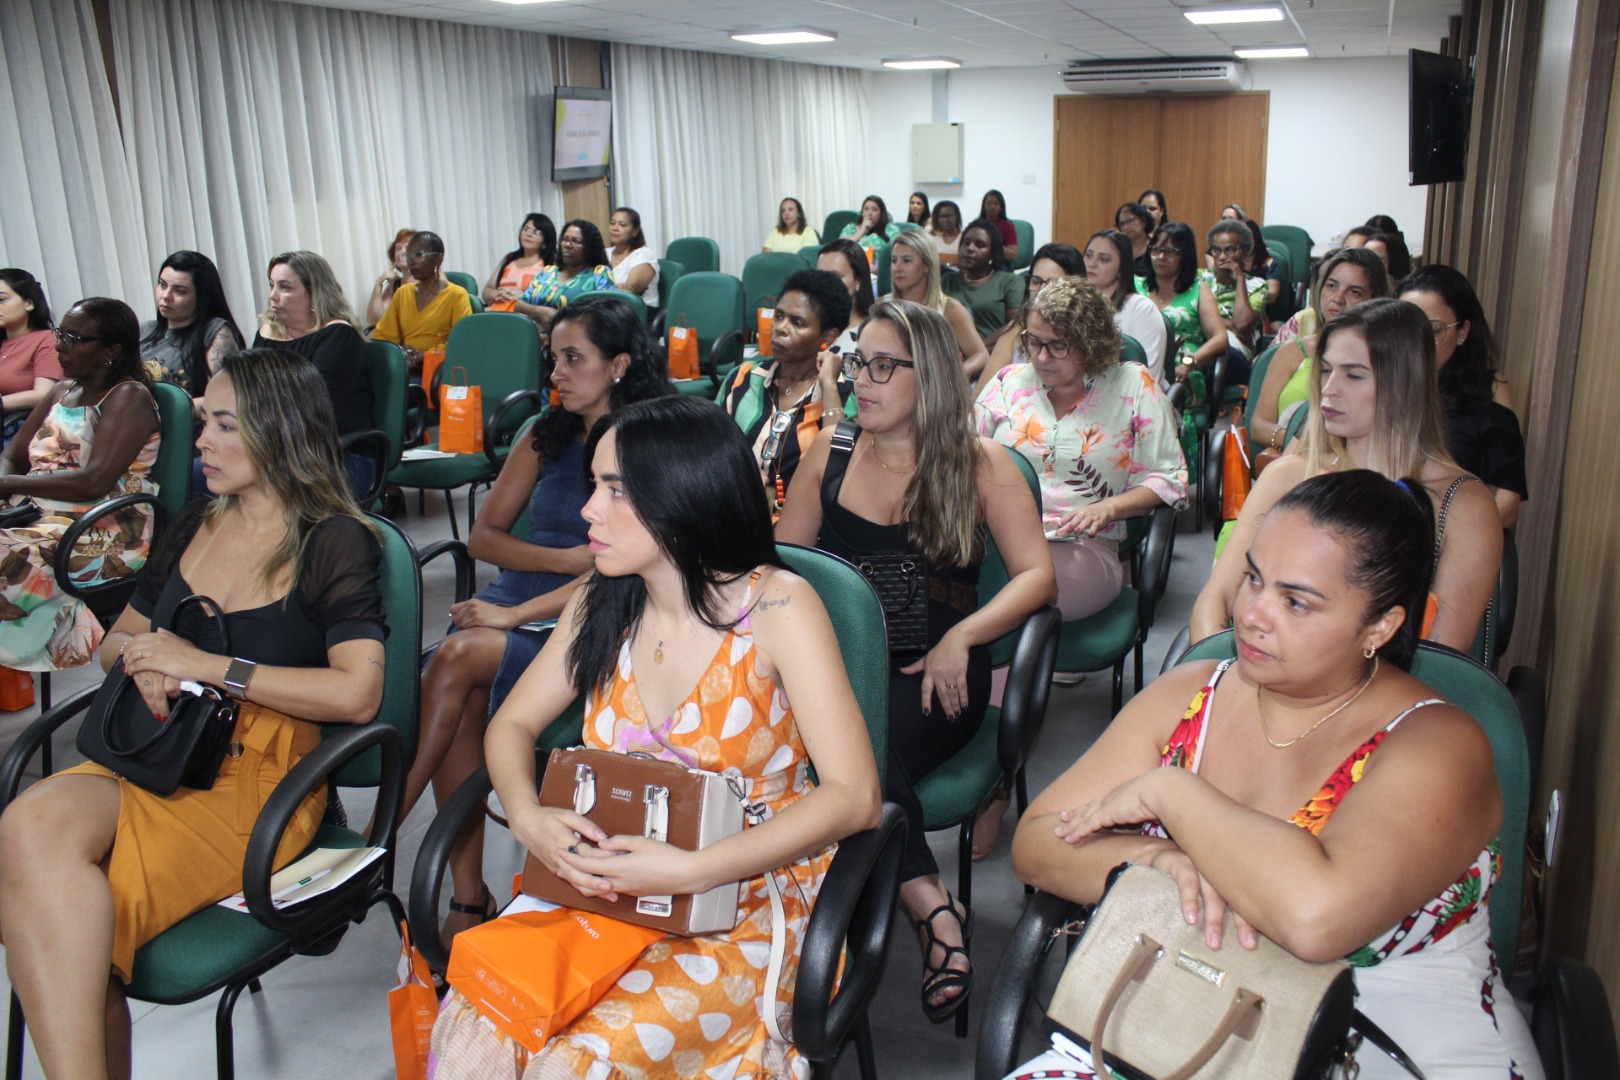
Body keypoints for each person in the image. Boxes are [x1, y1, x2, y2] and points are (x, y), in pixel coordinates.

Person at [1012, 469, 1538, 1080]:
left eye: (1296, 602)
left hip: (1390, 1036)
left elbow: (1315, 918)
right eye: (1254, 578)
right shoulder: (1191, 695)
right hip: (1181, 1009)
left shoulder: (1440, 744)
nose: (1252, 613)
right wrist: (1156, 860)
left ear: (1381, 626)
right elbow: (1037, 842)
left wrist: (1171, 792)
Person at [429, 395, 883, 1079]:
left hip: (743, 895)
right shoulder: (603, 599)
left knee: (576, 1063)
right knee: (479, 1021)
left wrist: (690, 871)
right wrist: (528, 816)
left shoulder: (777, 608)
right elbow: (511, 725)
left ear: (683, 495)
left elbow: (855, 796)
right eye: (594, 485)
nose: (588, 511)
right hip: (611, 885)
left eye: (616, 490)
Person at [0, 347, 386, 1080]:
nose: (201, 439)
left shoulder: (333, 540)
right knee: (25, 825)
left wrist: (208, 667)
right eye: (206, 421)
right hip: (159, 749)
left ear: (280, 432)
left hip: (261, 781)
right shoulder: (193, 524)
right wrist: (146, 661)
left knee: (70, 915)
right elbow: (115, 643)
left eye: (224, 426)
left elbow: (356, 694)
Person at [776, 299, 1055, 1022]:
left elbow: (1037, 577)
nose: (859, 381)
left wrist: (963, 638)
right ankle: (931, 902)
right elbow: (781, 568)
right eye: (856, 363)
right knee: (835, 739)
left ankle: (907, 910)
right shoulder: (830, 452)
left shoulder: (980, 463)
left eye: (881, 366)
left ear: (927, 376)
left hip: (937, 674)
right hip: (835, 667)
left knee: (847, 753)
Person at [397, 296, 675, 943]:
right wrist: (563, 558)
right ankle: (469, 897)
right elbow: (483, 538)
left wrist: (516, 612)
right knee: (462, 694)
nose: (556, 373)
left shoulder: (647, 441)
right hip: (524, 595)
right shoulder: (544, 433)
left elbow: (625, 568)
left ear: (619, 365)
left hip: (600, 610)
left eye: (573, 359)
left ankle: (385, 828)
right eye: (554, 359)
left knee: (456, 657)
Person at [1191, 298, 1501, 654]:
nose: (1329, 388)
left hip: (1383, 689)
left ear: (1405, 384)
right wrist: (1219, 677)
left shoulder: (1463, 505)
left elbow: (1441, 660)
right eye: (1325, 370)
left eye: (1353, 375)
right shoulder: (1287, 477)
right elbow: (1212, 603)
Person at [0, 298, 161, 672]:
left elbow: (94, 481)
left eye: (74, 339)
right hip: (39, 513)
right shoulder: (61, 391)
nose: (60, 346)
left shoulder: (127, 396)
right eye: (62, 334)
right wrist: (6, 485)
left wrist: (8, 483)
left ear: (111, 351)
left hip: (102, 526)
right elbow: (12, 454)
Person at [1399, 265, 1526, 527]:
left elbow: (1506, 505)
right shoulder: (1373, 386)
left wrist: (1443, 536)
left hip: (1455, 537)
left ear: (1463, 332)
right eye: (1407, 327)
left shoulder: (1487, 393)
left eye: (1434, 329)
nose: (1418, 341)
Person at [720, 268, 854, 515]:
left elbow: (839, 465)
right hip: (736, 514)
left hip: (808, 523)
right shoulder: (742, 378)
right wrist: (741, 473)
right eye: (779, 316)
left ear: (829, 336)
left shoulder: (844, 391)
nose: (780, 328)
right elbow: (711, 449)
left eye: (797, 322)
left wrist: (828, 386)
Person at [1252, 247, 1390, 453]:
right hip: (1292, 457)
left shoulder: (1384, 357)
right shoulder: (1294, 350)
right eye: (1331, 286)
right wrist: (1305, 443)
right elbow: (1258, 426)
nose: (1338, 298)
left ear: (1374, 298)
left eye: (1354, 292)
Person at [971, 243, 1085, 398]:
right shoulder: (1016, 328)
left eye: (1052, 284)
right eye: (1036, 281)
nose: (1041, 290)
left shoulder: (1085, 334)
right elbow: (981, 397)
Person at [138, 252, 242, 411]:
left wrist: (167, 412)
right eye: (162, 285)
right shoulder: (145, 331)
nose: (166, 296)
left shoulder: (215, 331)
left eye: (180, 291)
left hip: (189, 425)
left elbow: (228, 396)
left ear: (202, 297)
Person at [885, 229, 990, 378]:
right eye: (894, 261)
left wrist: (950, 378)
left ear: (926, 265)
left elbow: (981, 356)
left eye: (906, 261)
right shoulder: (883, 305)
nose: (897, 268)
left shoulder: (949, 308)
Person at [1136, 222, 1226, 391]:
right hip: (1137, 366)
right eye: (1156, 249)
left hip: (1180, 373)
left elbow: (1220, 338)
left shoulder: (1198, 290)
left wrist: (1188, 363)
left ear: (1184, 255)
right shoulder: (1135, 286)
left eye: (1170, 251)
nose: (1161, 256)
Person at [371, 231, 473, 376]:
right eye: (408, 255)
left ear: (438, 258)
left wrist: (424, 356)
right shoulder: (403, 293)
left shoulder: (457, 295)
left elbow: (462, 343)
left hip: (439, 371)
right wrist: (400, 353)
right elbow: (383, 335)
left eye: (418, 255)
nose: (411, 261)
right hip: (403, 368)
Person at [1084, 229, 1168, 383]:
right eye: (1088, 255)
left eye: (1104, 259)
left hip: (1130, 394)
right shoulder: (1075, 306)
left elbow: (1148, 379)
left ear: (1121, 268)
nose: (1091, 264)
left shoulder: (1142, 310)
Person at [1196, 219, 1268, 387]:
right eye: (1217, 250)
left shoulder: (1257, 285)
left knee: (1221, 346)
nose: (1222, 257)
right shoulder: (1198, 278)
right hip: (1201, 342)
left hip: (1235, 354)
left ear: (1244, 251)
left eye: (1229, 250)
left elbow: (1241, 324)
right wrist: (1229, 324)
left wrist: (1240, 279)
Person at [514, 219, 616, 333]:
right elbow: (519, 305)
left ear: (589, 247)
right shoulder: (547, 272)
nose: (567, 245)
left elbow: (607, 314)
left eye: (576, 241)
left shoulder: (599, 273)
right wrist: (540, 311)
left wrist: (558, 320)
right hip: (536, 337)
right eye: (565, 239)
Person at [0, 269, 63, 445]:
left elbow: (43, 394)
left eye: (2, 300)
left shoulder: (46, 339)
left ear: (28, 303)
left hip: (22, 429)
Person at [942, 219, 1022, 351]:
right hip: (949, 354)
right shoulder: (947, 281)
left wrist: (975, 352)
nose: (970, 248)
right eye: (966, 243)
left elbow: (1016, 326)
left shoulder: (1009, 282)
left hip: (994, 355)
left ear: (992, 253)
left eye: (980, 245)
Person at [481, 213, 555, 308]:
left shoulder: (550, 262)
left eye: (536, 232)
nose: (529, 234)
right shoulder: (509, 258)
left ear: (546, 238)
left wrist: (524, 296)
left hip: (529, 314)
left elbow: (553, 296)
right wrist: (498, 294)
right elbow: (487, 291)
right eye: (526, 229)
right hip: (499, 311)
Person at [817, 238, 876, 354]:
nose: (825, 284)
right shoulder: (807, 329)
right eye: (820, 276)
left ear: (858, 280)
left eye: (835, 277)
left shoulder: (871, 335)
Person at [606, 206, 659, 308]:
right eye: (612, 223)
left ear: (635, 231)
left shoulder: (644, 254)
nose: (615, 228)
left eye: (622, 224)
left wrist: (596, 292)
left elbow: (630, 288)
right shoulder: (605, 253)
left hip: (637, 311)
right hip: (606, 308)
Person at [365, 226, 417, 329]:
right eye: (398, 248)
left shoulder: (430, 281)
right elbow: (374, 321)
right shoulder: (394, 285)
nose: (401, 252)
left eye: (407, 247)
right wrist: (379, 284)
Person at [979, 189, 1020, 265]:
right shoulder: (976, 225)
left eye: (996, 204)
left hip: (999, 264)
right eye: (989, 203)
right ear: (984, 206)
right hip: (979, 262)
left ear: (1001, 207)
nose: (992, 206)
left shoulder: (1008, 226)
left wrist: (994, 246)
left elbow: (1013, 255)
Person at [1115, 202, 1155, 277]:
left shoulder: (1156, 249)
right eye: (1122, 224)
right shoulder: (1117, 250)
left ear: (1144, 221)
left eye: (1130, 221)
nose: (1126, 227)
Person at [929, 199, 964, 265]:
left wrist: (947, 264)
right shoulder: (933, 241)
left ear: (957, 216)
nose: (945, 220)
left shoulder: (965, 239)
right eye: (941, 217)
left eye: (948, 216)